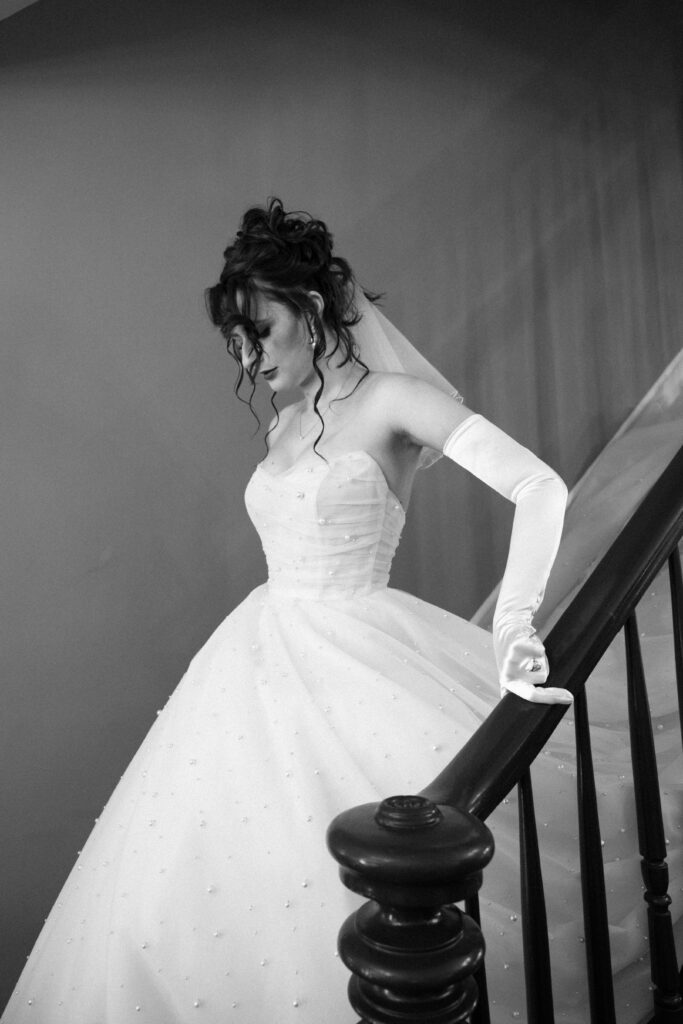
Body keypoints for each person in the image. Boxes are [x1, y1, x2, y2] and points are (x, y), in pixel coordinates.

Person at [2, 198, 575, 1024]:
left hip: (360, 651)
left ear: (309, 312)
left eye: (258, 330)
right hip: (254, 663)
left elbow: (538, 485)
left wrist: (515, 624)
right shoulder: (284, 425)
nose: (246, 353)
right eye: (234, 339)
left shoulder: (393, 402)